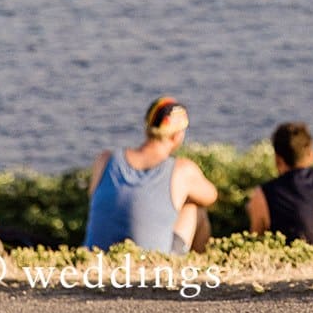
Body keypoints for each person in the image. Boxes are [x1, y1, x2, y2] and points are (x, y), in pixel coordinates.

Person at [84, 96, 219, 254]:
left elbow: (94, 196)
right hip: (153, 265)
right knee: (194, 209)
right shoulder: (182, 170)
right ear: (177, 135)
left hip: (94, 259)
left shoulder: (105, 160)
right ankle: (197, 271)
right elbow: (211, 196)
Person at [245, 121, 313, 245]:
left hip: (296, 262)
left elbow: (255, 242)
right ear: (311, 154)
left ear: (278, 160)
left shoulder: (263, 195)